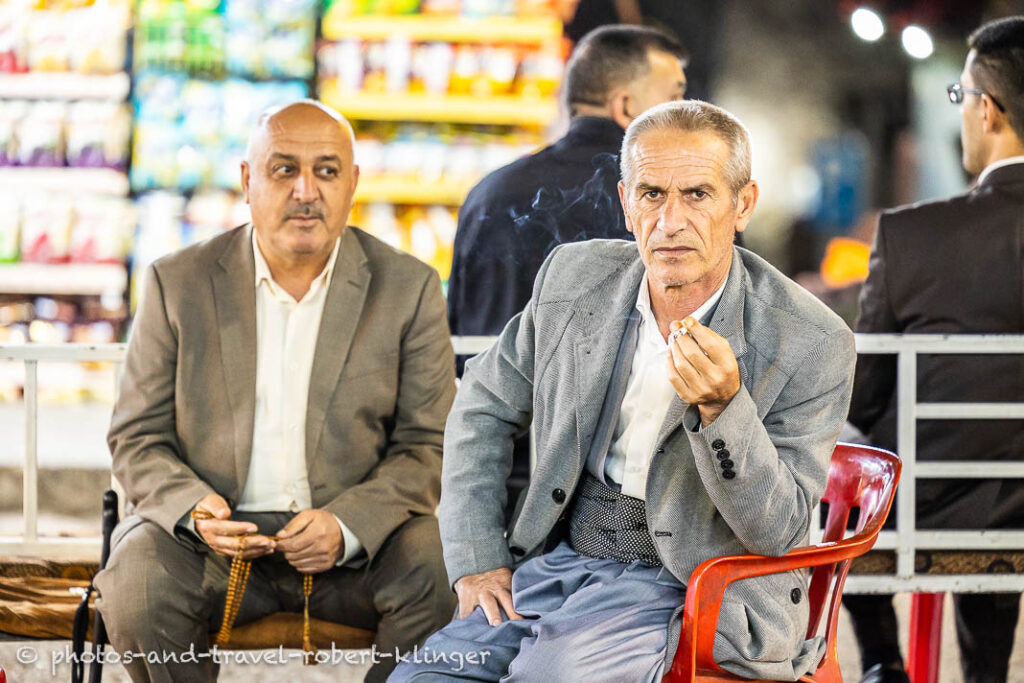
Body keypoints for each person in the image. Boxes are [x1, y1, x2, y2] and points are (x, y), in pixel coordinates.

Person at [390, 100, 856, 682]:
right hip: (561, 564)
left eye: (698, 194)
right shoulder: (575, 278)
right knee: (423, 676)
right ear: (626, 203)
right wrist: (478, 560)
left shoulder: (809, 338)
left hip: (695, 586)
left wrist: (723, 410)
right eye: (652, 194)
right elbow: (482, 404)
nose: (671, 221)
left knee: (546, 677)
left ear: (743, 204)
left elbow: (778, 530)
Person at [95, 101, 457, 683]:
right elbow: (137, 436)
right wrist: (194, 510)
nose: (305, 191)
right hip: (211, 542)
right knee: (137, 585)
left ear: (353, 183)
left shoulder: (407, 288)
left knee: (440, 569)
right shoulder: (178, 283)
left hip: (354, 547)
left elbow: (427, 443)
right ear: (247, 180)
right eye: (284, 169)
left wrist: (347, 525)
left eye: (327, 171)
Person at [843, 16, 1024, 683]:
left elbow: (864, 395)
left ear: (988, 110)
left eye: (961, 96)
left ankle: (882, 661)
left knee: (842, 460)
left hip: (926, 507)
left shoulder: (912, 237)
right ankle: (986, 671)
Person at [447, 24, 687, 515]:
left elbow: (460, 340)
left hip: (494, 466)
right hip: (614, 485)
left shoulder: (489, 193)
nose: (687, 118)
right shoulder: (673, 207)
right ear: (626, 107)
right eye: (675, 99)